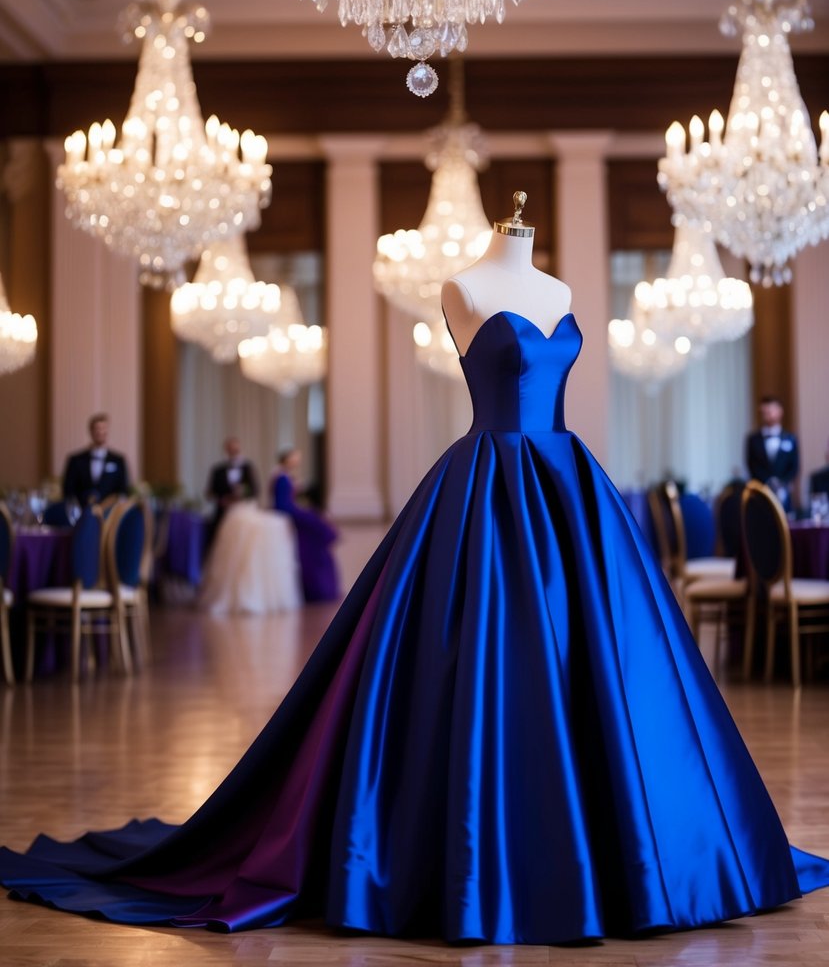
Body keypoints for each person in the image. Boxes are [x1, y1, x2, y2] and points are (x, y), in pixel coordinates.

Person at [3, 192, 829, 943]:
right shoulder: (463, 288)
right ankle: (484, 866)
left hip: (572, 487)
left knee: (612, 668)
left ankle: (634, 853)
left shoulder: (561, 293)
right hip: (483, 484)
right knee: (467, 658)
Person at [271, 448, 340, 602]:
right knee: (314, 521)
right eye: (294, 457)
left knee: (315, 519)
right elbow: (282, 505)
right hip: (287, 512)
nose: (297, 460)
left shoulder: (285, 476)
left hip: (292, 509)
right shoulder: (281, 477)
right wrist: (301, 511)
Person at [745, 395, 800, 512]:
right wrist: (768, 483)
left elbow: (794, 466)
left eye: (771, 410)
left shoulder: (790, 438)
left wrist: (781, 483)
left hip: (784, 495)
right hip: (761, 495)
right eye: (765, 412)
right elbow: (751, 465)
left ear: (780, 412)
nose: (768, 414)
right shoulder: (753, 439)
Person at [61, 412, 129, 506]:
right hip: (82, 513)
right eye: (97, 428)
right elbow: (68, 491)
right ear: (91, 431)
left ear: (107, 431)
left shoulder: (118, 460)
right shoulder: (75, 460)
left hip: (109, 514)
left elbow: (123, 492)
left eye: (103, 428)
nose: (100, 432)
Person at [204, 437, 259, 546]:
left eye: (236, 450)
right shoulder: (217, 469)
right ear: (226, 450)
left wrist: (241, 495)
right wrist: (222, 499)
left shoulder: (247, 468)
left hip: (242, 511)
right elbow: (210, 492)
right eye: (230, 449)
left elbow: (254, 490)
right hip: (223, 512)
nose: (233, 452)